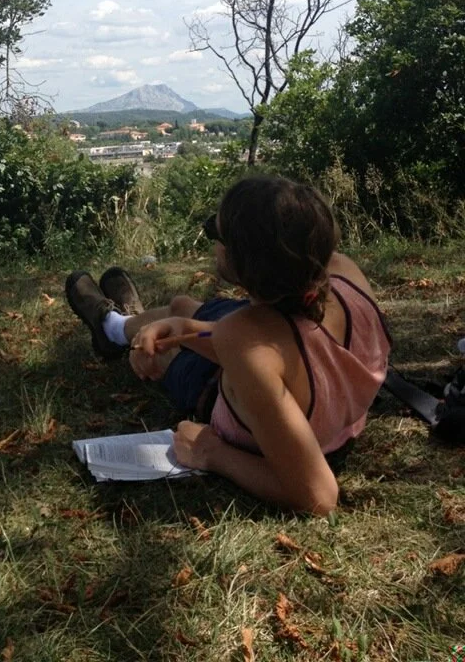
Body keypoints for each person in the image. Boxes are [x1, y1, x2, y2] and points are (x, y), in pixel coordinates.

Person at [65, 175, 391, 516]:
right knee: (181, 308)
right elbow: (287, 344)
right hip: (312, 391)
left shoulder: (242, 338)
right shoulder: (340, 271)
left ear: (241, 259)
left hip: (217, 393)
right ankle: (118, 326)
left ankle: (112, 326)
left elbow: (319, 496)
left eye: (213, 231)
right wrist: (186, 328)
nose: (212, 240)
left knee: (163, 354)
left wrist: (211, 452)